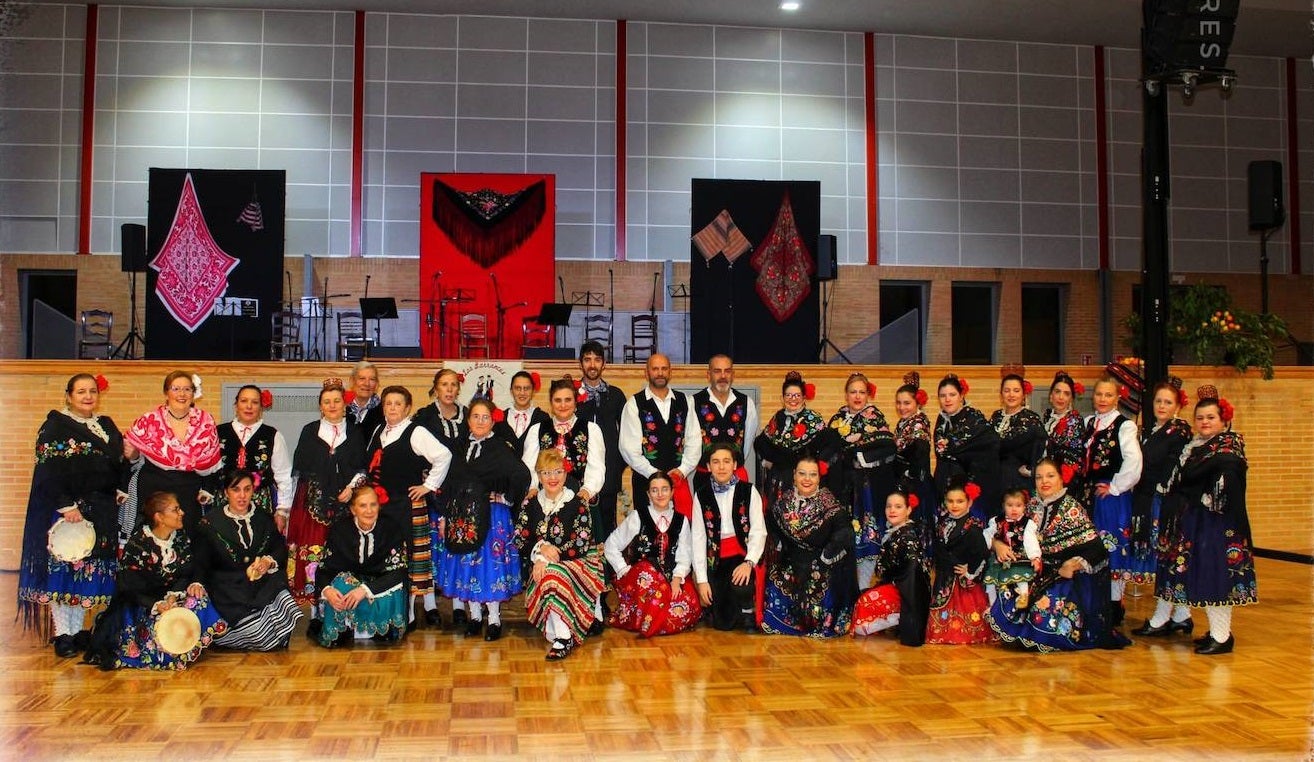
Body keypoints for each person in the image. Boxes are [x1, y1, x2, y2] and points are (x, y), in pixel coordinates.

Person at [19, 373, 131, 657]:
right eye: (81, 391)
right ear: (68, 395)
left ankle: (80, 631)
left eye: (92, 391)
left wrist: (119, 487)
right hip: (70, 512)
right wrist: (66, 505)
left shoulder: (105, 425)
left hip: (102, 511)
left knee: (89, 572)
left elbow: (120, 461)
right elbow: (47, 471)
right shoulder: (54, 426)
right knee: (67, 569)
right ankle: (62, 634)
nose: (88, 396)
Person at [1142, 386, 1256, 655]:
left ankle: (1222, 635)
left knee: (1214, 575)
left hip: (1218, 524)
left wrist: (1207, 495)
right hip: (1194, 521)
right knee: (1200, 574)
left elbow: (1226, 483)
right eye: (1201, 418)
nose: (1205, 422)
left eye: (1210, 418)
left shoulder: (1228, 448)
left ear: (1224, 420)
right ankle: (1215, 632)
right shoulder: (1196, 447)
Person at [988, 458, 1127, 652]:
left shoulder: (1072, 509)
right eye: (1039, 477)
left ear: (1061, 479)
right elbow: (999, 528)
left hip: (1061, 575)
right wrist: (998, 544)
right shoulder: (1030, 504)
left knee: (1045, 606)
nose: (1044, 481)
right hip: (1033, 568)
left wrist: (1073, 564)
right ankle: (1018, 632)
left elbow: (1097, 549)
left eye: (1050, 476)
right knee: (1008, 579)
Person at [84, 491, 226, 670]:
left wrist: (173, 595)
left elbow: (186, 572)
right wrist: (156, 604)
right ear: (159, 517)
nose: (181, 513)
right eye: (175, 510)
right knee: (154, 626)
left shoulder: (180, 539)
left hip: (170, 599)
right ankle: (164, 652)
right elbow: (128, 588)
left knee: (199, 599)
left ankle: (184, 645)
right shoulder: (138, 544)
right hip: (142, 605)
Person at [436, 398, 531, 641]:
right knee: (468, 565)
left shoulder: (499, 447)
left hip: (491, 517)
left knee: (489, 567)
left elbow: (521, 475)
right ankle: (475, 617)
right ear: (468, 420)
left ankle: (494, 619)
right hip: (462, 517)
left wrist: (506, 498)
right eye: (475, 416)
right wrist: (446, 515)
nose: (480, 421)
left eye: (485, 417)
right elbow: (448, 483)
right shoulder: (458, 447)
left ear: (492, 421)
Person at [364, 385, 452, 628]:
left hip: (407, 504)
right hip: (382, 507)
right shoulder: (379, 431)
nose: (392, 408)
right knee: (389, 558)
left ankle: (409, 611)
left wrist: (429, 486)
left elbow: (444, 456)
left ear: (407, 408)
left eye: (397, 404)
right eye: (388, 403)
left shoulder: (416, 431)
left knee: (410, 557)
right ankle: (389, 607)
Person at [287, 378, 368, 631]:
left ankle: (344, 612)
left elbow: (362, 467)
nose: (332, 406)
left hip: (345, 505)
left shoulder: (354, 432)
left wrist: (352, 488)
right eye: (327, 402)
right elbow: (301, 469)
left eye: (337, 401)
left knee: (341, 554)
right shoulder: (310, 431)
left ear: (345, 405)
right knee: (314, 556)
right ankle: (316, 612)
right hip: (312, 505)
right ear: (320, 406)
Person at [515, 449, 607, 660]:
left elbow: (581, 544)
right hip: (544, 566)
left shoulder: (577, 504)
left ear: (565, 474)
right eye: (546, 473)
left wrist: (545, 557)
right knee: (551, 574)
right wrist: (539, 552)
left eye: (557, 471)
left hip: (580, 564)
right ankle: (560, 629)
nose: (552, 478)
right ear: (538, 476)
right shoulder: (530, 504)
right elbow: (519, 539)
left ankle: (564, 638)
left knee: (553, 574)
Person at [195, 470, 302, 651]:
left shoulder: (263, 518)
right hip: (228, 590)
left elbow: (278, 548)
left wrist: (267, 562)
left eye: (247, 489)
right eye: (236, 490)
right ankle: (243, 634)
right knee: (259, 634)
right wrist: (197, 582)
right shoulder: (210, 523)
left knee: (281, 589)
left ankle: (265, 634)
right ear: (226, 492)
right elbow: (201, 561)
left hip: (259, 585)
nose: (242, 496)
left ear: (253, 491)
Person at [762, 456, 855, 638]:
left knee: (818, 605)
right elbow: (771, 527)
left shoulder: (830, 504)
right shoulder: (782, 503)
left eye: (812, 475)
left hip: (821, 563)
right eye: (802, 474)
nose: (807, 479)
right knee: (774, 588)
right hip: (792, 561)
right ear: (794, 476)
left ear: (819, 478)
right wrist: (779, 546)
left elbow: (845, 533)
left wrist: (826, 556)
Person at [604, 471, 702, 637]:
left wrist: (677, 579)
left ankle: (652, 620)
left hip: (670, 577)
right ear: (648, 494)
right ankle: (651, 619)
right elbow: (610, 545)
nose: (660, 494)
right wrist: (624, 571)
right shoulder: (638, 516)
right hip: (643, 580)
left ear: (672, 492)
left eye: (664, 489)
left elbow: (685, 554)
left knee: (688, 606)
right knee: (646, 574)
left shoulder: (681, 520)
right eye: (654, 490)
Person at [124, 370, 223, 536]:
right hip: (154, 489)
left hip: (188, 491)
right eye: (176, 389)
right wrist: (133, 454)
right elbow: (133, 458)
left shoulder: (206, 420)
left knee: (188, 540)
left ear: (194, 393)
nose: (182, 394)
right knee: (152, 540)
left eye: (187, 389)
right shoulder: (149, 420)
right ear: (166, 392)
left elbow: (211, 462)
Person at [826, 372, 897, 587]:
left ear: (868, 394)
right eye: (853, 392)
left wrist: (858, 449)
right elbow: (828, 448)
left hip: (866, 488)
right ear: (846, 395)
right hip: (840, 487)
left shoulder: (875, 416)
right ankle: (845, 587)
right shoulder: (837, 418)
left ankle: (864, 586)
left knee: (867, 533)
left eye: (861, 392)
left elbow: (888, 445)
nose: (857, 396)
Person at [314, 485, 408, 647]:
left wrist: (365, 590)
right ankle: (345, 628)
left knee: (395, 590)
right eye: (363, 505)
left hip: (378, 586)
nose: (369, 511)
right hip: (349, 586)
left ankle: (377, 629)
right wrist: (327, 591)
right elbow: (324, 568)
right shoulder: (340, 530)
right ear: (353, 509)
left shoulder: (391, 528)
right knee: (339, 584)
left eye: (373, 505)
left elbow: (399, 571)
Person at [1083, 374, 1143, 626]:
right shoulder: (1088, 423)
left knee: (1112, 548)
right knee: (1092, 548)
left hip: (1110, 499)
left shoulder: (1124, 425)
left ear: (1117, 398)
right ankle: (1095, 601)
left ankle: (1114, 604)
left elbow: (1134, 461)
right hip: (1089, 498)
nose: (1103, 399)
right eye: (1099, 394)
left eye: (1108, 395)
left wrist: (1116, 487)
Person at [1126, 378, 1193, 598]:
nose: (1162, 406)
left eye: (1167, 402)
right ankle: (1176, 615)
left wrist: (1160, 488)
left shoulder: (1178, 432)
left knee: (1166, 557)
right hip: (1147, 498)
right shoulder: (1153, 430)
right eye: (1158, 401)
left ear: (1177, 406)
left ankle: (1178, 614)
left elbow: (1173, 468)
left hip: (1162, 501)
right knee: (1160, 558)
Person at [689, 443, 766, 632]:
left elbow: (759, 531)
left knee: (741, 584)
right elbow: (698, 538)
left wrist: (749, 562)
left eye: (726, 461)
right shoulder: (701, 495)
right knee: (722, 624)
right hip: (715, 557)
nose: (721, 467)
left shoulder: (749, 491)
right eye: (715, 462)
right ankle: (728, 609)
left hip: (743, 552)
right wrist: (702, 580)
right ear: (708, 467)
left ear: (735, 465)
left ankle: (748, 610)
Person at [619, 352, 702, 512]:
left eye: (664, 368)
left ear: (670, 372)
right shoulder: (634, 404)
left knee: (678, 531)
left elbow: (694, 440)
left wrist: (682, 470)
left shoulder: (685, 401)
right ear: (646, 372)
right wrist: (655, 474)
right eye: (655, 369)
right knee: (648, 532)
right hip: (646, 482)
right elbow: (628, 449)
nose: (660, 373)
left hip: (677, 481)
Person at [851, 491, 930, 646]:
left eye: (898, 506)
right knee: (862, 601)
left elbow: (911, 574)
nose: (892, 510)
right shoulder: (897, 533)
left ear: (908, 510)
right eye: (889, 506)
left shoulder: (908, 537)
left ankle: (898, 618)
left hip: (905, 592)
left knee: (864, 607)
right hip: (897, 586)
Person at [575, 340, 628, 558]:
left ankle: (606, 573)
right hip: (578, 473)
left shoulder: (616, 395)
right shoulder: (571, 394)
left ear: (604, 364)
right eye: (587, 359)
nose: (592, 364)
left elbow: (627, 435)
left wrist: (617, 465)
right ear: (581, 364)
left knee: (607, 523)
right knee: (579, 522)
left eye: (597, 359)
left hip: (609, 474)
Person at [924, 479, 993, 645]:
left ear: (969, 502)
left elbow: (982, 553)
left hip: (962, 581)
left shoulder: (973, 527)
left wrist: (970, 571)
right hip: (943, 577)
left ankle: (962, 633)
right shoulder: (943, 523)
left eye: (960, 501)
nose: (954, 505)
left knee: (964, 611)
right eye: (950, 501)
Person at [520, 377, 607, 507]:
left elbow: (597, 466)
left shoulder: (591, 429)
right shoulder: (536, 430)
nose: (563, 405)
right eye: (557, 400)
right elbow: (529, 465)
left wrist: (587, 490)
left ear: (575, 402)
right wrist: (533, 487)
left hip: (581, 499)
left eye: (568, 400)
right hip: (545, 501)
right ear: (551, 402)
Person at [216, 385, 293, 524]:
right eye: (244, 401)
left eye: (255, 402)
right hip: (225, 503)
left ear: (261, 408)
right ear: (236, 405)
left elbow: (284, 475)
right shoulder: (218, 432)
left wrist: (282, 511)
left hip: (260, 504)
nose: (249, 406)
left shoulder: (272, 435)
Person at [754, 371, 830, 506]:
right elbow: (761, 442)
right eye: (788, 395)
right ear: (782, 398)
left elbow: (825, 447)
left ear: (803, 397)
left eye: (797, 395)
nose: (792, 399)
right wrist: (770, 460)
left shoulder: (813, 419)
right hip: (777, 478)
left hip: (803, 479)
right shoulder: (778, 417)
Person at [932, 374, 1000, 522]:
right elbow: (941, 452)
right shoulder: (941, 420)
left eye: (952, 394)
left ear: (961, 395)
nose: (947, 399)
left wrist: (958, 453)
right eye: (942, 396)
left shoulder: (973, 417)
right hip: (944, 486)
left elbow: (990, 444)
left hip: (968, 486)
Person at [692, 354, 759, 468]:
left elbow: (747, 441)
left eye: (727, 371)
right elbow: (691, 442)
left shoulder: (747, 403)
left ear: (733, 375)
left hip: (736, 474)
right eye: (717, 371)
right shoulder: (694, 402)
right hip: (705, 476)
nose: (723, 376)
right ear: (708, 375)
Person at [893, 372, 935, 547]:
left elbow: (919, 454)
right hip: (905, 481)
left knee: (916, 525)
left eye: (907, 403)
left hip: (915, 483)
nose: (902, 407)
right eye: (899, 403)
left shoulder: (919, 422)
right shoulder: (903, 423)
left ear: (917, 403)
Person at [990, 367, 1045, 495]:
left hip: (1018, 480)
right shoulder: (996, 416)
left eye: (1016, 390)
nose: (1011, 395)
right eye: (1007, 390)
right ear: (1001, 394)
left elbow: (1042, 447)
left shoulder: (1031, 418)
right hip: (996, 477)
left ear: (1023, 394)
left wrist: (1032, 468)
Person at [983, 489, 1042, 607]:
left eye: (1018, 505)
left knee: (1020, 575)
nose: (1014, 509)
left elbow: (1031, 541)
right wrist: (992, 544)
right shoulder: (996, 521)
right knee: (991, 579)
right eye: (1010, 505)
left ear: (1024, 507)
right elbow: (986, 535)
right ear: (1003, 506)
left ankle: (1023, 596)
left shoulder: (1027, 523)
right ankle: (992, 604)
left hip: (1018, 556)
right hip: (999, 557)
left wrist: (1035, 557)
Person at [1042, 371, 1086, 493]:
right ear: (1051, 395)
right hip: (1044, 480)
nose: (1061, 397)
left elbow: (1072, 459)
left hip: (1063, 485)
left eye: (1066, 394)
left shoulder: (1074, 421)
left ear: (1071, 398)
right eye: (1057, 392)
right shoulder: (1047, 417)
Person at [495, 370, 551, 454]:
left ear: (533, 391)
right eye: (518, 388)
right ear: (511, 391)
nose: (522, 393)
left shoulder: (543, 418)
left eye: (527, 388)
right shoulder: (500, 419)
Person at [415, 368, 468, 446]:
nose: (449, 389)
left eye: (453, 385)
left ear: (458, 390)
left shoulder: (468, 415)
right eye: (444, 384)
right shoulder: (424, 416)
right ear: (436, 390)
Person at [345, 360, 383, 437]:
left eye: (372, 379)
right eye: (362, 378)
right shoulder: (341, 406)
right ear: (352, 381)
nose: (367, 384)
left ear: (376, 384)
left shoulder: (383, 410)